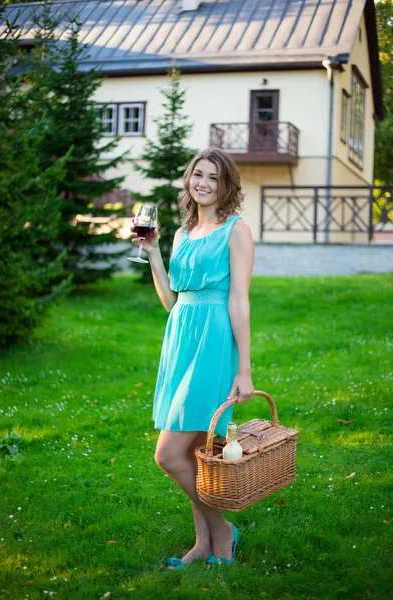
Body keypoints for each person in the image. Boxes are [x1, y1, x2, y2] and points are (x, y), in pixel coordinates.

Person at [130, 147, 255, 568]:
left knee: (168, 454)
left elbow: (239, 301)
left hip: (213, 343)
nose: (202, 182)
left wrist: (245, 368)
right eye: (197, 174)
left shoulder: (235, 230)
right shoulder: (182, 234)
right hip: (181, 339)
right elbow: (171, 300)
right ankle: (204, 543)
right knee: (194, 454)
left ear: (226, 185)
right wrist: (153, 253)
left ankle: (223, 530)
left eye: (212, 177)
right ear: (189, 179)